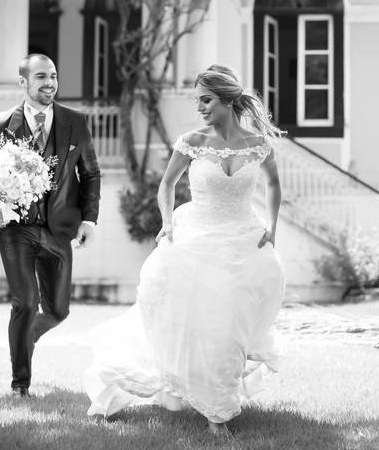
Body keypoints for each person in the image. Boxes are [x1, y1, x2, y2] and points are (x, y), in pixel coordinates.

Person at [84, 64, 285, 436]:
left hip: (243, 242)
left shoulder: (259, 144)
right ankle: (216, 415)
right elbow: (166, 186)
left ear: (227, 101)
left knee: (227, 330)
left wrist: (272, 227)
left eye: (206, 100)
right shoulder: (192, 140)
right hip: (196, 240)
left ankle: (217, 402)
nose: (201, 108)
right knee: (198, 324)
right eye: (198, 101)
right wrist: (167, 222)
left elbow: (274, 185)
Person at [0, 53, 101, 397]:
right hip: (14, 229)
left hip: (58, 230)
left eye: (54, 76)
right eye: (41, 77)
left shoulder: (75, 121)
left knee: (58, 311)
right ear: (23, 82)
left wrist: (89, 219)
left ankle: (27, 337)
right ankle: (20, 384)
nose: (50, 83)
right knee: (25, 302)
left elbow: (90, 174)